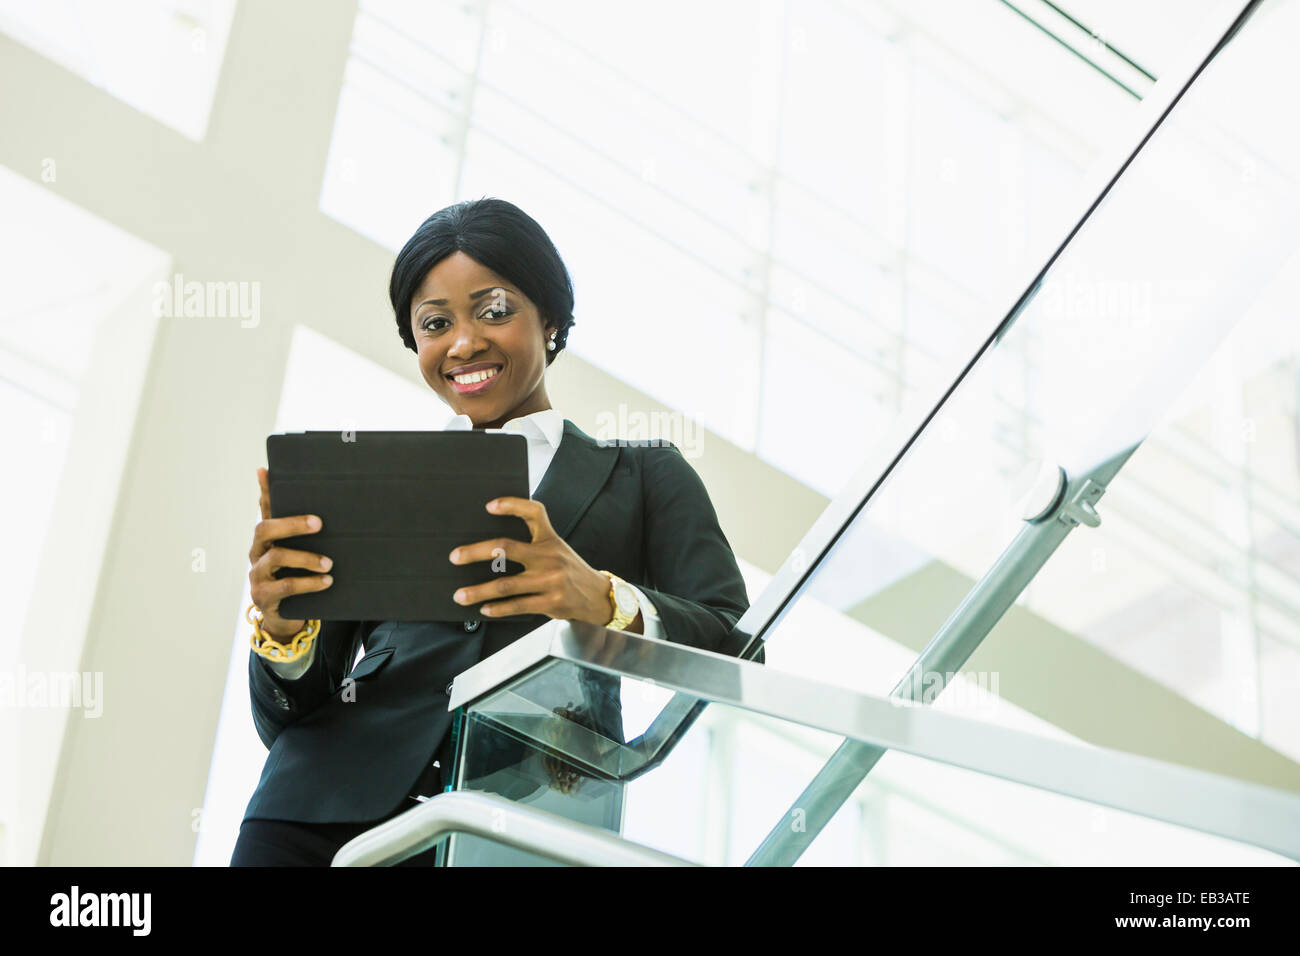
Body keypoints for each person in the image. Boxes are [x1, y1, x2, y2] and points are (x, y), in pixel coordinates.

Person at [231, 197, 751, 866]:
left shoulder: (645, 475)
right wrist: (280, 632)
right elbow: (288, 720)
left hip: (525, 827)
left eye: (494, 311)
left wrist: (604, 602)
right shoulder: (375, 482)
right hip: (318, 819)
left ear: (552, 320)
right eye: (435, 323)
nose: (464, 342)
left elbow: (737, 652)